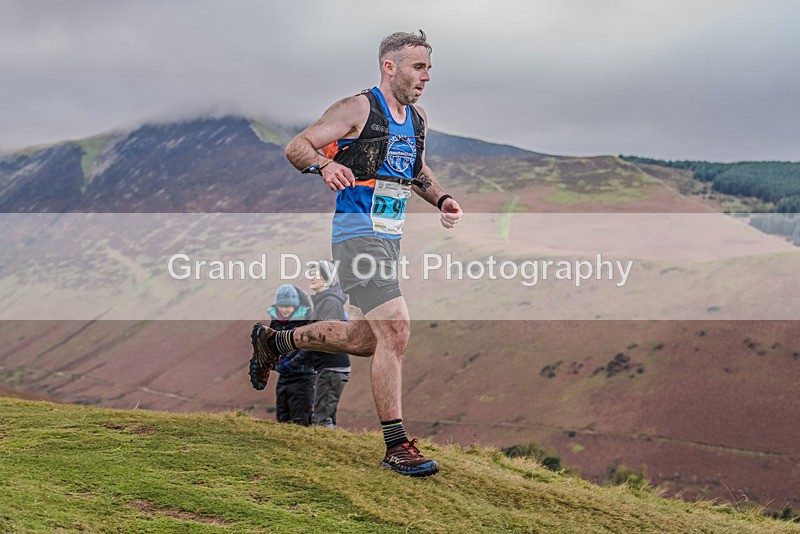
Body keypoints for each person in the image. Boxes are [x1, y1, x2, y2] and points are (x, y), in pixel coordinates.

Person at [250, 30, 462, 477]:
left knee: (363, 339)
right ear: (390, 66)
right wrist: (325, 165)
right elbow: (297, 146)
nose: (426, 77)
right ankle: (396, 445)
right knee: (397, 329)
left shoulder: (417, 119)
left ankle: (275, 341)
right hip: (356, 236)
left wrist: (441, 199)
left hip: (388, 239)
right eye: (418, 67)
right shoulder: (357, 108)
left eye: (429, 69)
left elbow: (415, 168)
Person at [306, 260, 351, 429]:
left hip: (332, 368)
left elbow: (324, 336)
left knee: (322, 420)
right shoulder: (324, 301)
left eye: (316, 273)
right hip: (329, 367)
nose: (311, 277)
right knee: (325, 417)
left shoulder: (330, 303)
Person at [269, 284, 316, 426]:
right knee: (282, 418)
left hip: (303, 377)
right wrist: (272, 362)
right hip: (284, 377)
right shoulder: (276, 322)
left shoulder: (305, 321)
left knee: (300, 421)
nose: (284, 310)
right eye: (282, 307)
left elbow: (310, 347)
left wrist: (292, 363)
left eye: (288, 306)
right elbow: (270, 344)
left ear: (295, 306)